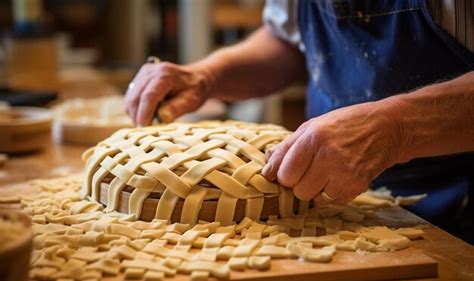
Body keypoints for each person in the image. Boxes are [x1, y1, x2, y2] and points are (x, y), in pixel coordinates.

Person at [125, 1, 474, 243]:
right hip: (335, 210)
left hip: (462, 217)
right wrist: (206, 75)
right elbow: (288, 41)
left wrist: (396, 129)